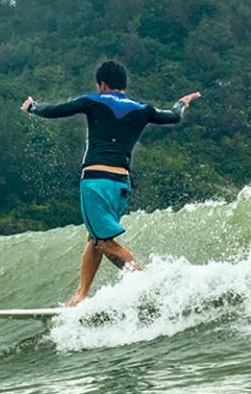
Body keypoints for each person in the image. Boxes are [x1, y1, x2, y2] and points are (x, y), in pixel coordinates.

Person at [21, 60, 201, 307]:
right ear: (123, 84)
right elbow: (173, 116)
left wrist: (32, 107)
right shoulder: (143, 109)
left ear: (102, 84)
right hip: (121, 185)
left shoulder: (93, 100)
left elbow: (56, 110)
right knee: (95, 239)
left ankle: (148, 286)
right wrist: (182, 102)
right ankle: (80, 297)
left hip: (96, 181)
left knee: (105, 242)